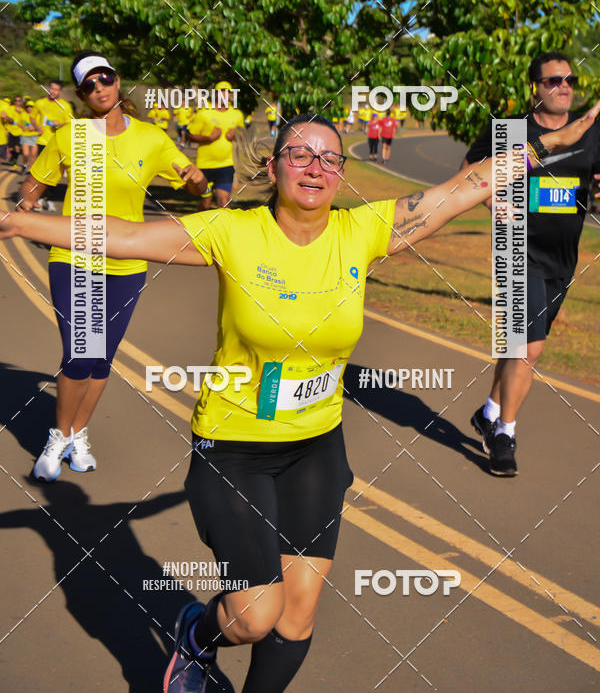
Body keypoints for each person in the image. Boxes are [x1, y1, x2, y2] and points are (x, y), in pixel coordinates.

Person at [3, 107, 596, 692]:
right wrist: (21, 222)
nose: (315, 167)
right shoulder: (231, 231)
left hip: (315, 446)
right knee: (255, 615)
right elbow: (125, 235)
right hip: (233, 448)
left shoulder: (363, 232)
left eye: (329, 158)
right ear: (274, 164)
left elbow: (470, 185)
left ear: (341, 173)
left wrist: (546, 146)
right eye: (300, 153)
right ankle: (196, 634)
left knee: (296, 616)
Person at [18, 51, 207, 482]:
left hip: (126, 262)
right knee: (80, 355)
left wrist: (197, 181)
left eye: (104, 78)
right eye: (89, 85)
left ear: (117, 81)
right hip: (75, 257)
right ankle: (58, 436)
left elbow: (189, 177)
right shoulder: (71, 135)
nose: (99, 88)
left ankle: (78, 434)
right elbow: (36, 181)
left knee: (102, 358)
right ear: (83, 96)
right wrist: (24, 207)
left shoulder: (152, 138)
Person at [462, 51, 600, 477]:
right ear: (534, 89)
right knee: (528, 346)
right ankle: (504, 434)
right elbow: (470, 170)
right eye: (553, 81)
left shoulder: (592, 131)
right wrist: (493, 202)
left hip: (563, 257)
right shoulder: (510, 130)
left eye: (570, 80)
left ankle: (488, 411)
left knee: (516, 347)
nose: (564, 87)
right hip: (515, 249)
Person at [188, 80, 245, 210]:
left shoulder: (237, 115)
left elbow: (242, 136)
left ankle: (224, 230)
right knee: (206, 202)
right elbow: (190, 135)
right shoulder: (204, 113)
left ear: (231, 96)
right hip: (205, 166)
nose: (225, 95)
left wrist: (235, 136)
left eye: (228, 93)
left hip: (225, 165)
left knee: (223, 202)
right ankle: (199, 229)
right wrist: (208, 138)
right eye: (221, 92)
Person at [34, 79, 74, 148]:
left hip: (57, 142)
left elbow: (70, 124)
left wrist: (59, 124)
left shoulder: (66, 106)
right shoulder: (40, 102)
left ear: (60, 91)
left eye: (56, 90)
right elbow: (32, 117)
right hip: (42, 141)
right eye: (52, 89)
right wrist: (37, 127)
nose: (53, 92)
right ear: (49, 89)